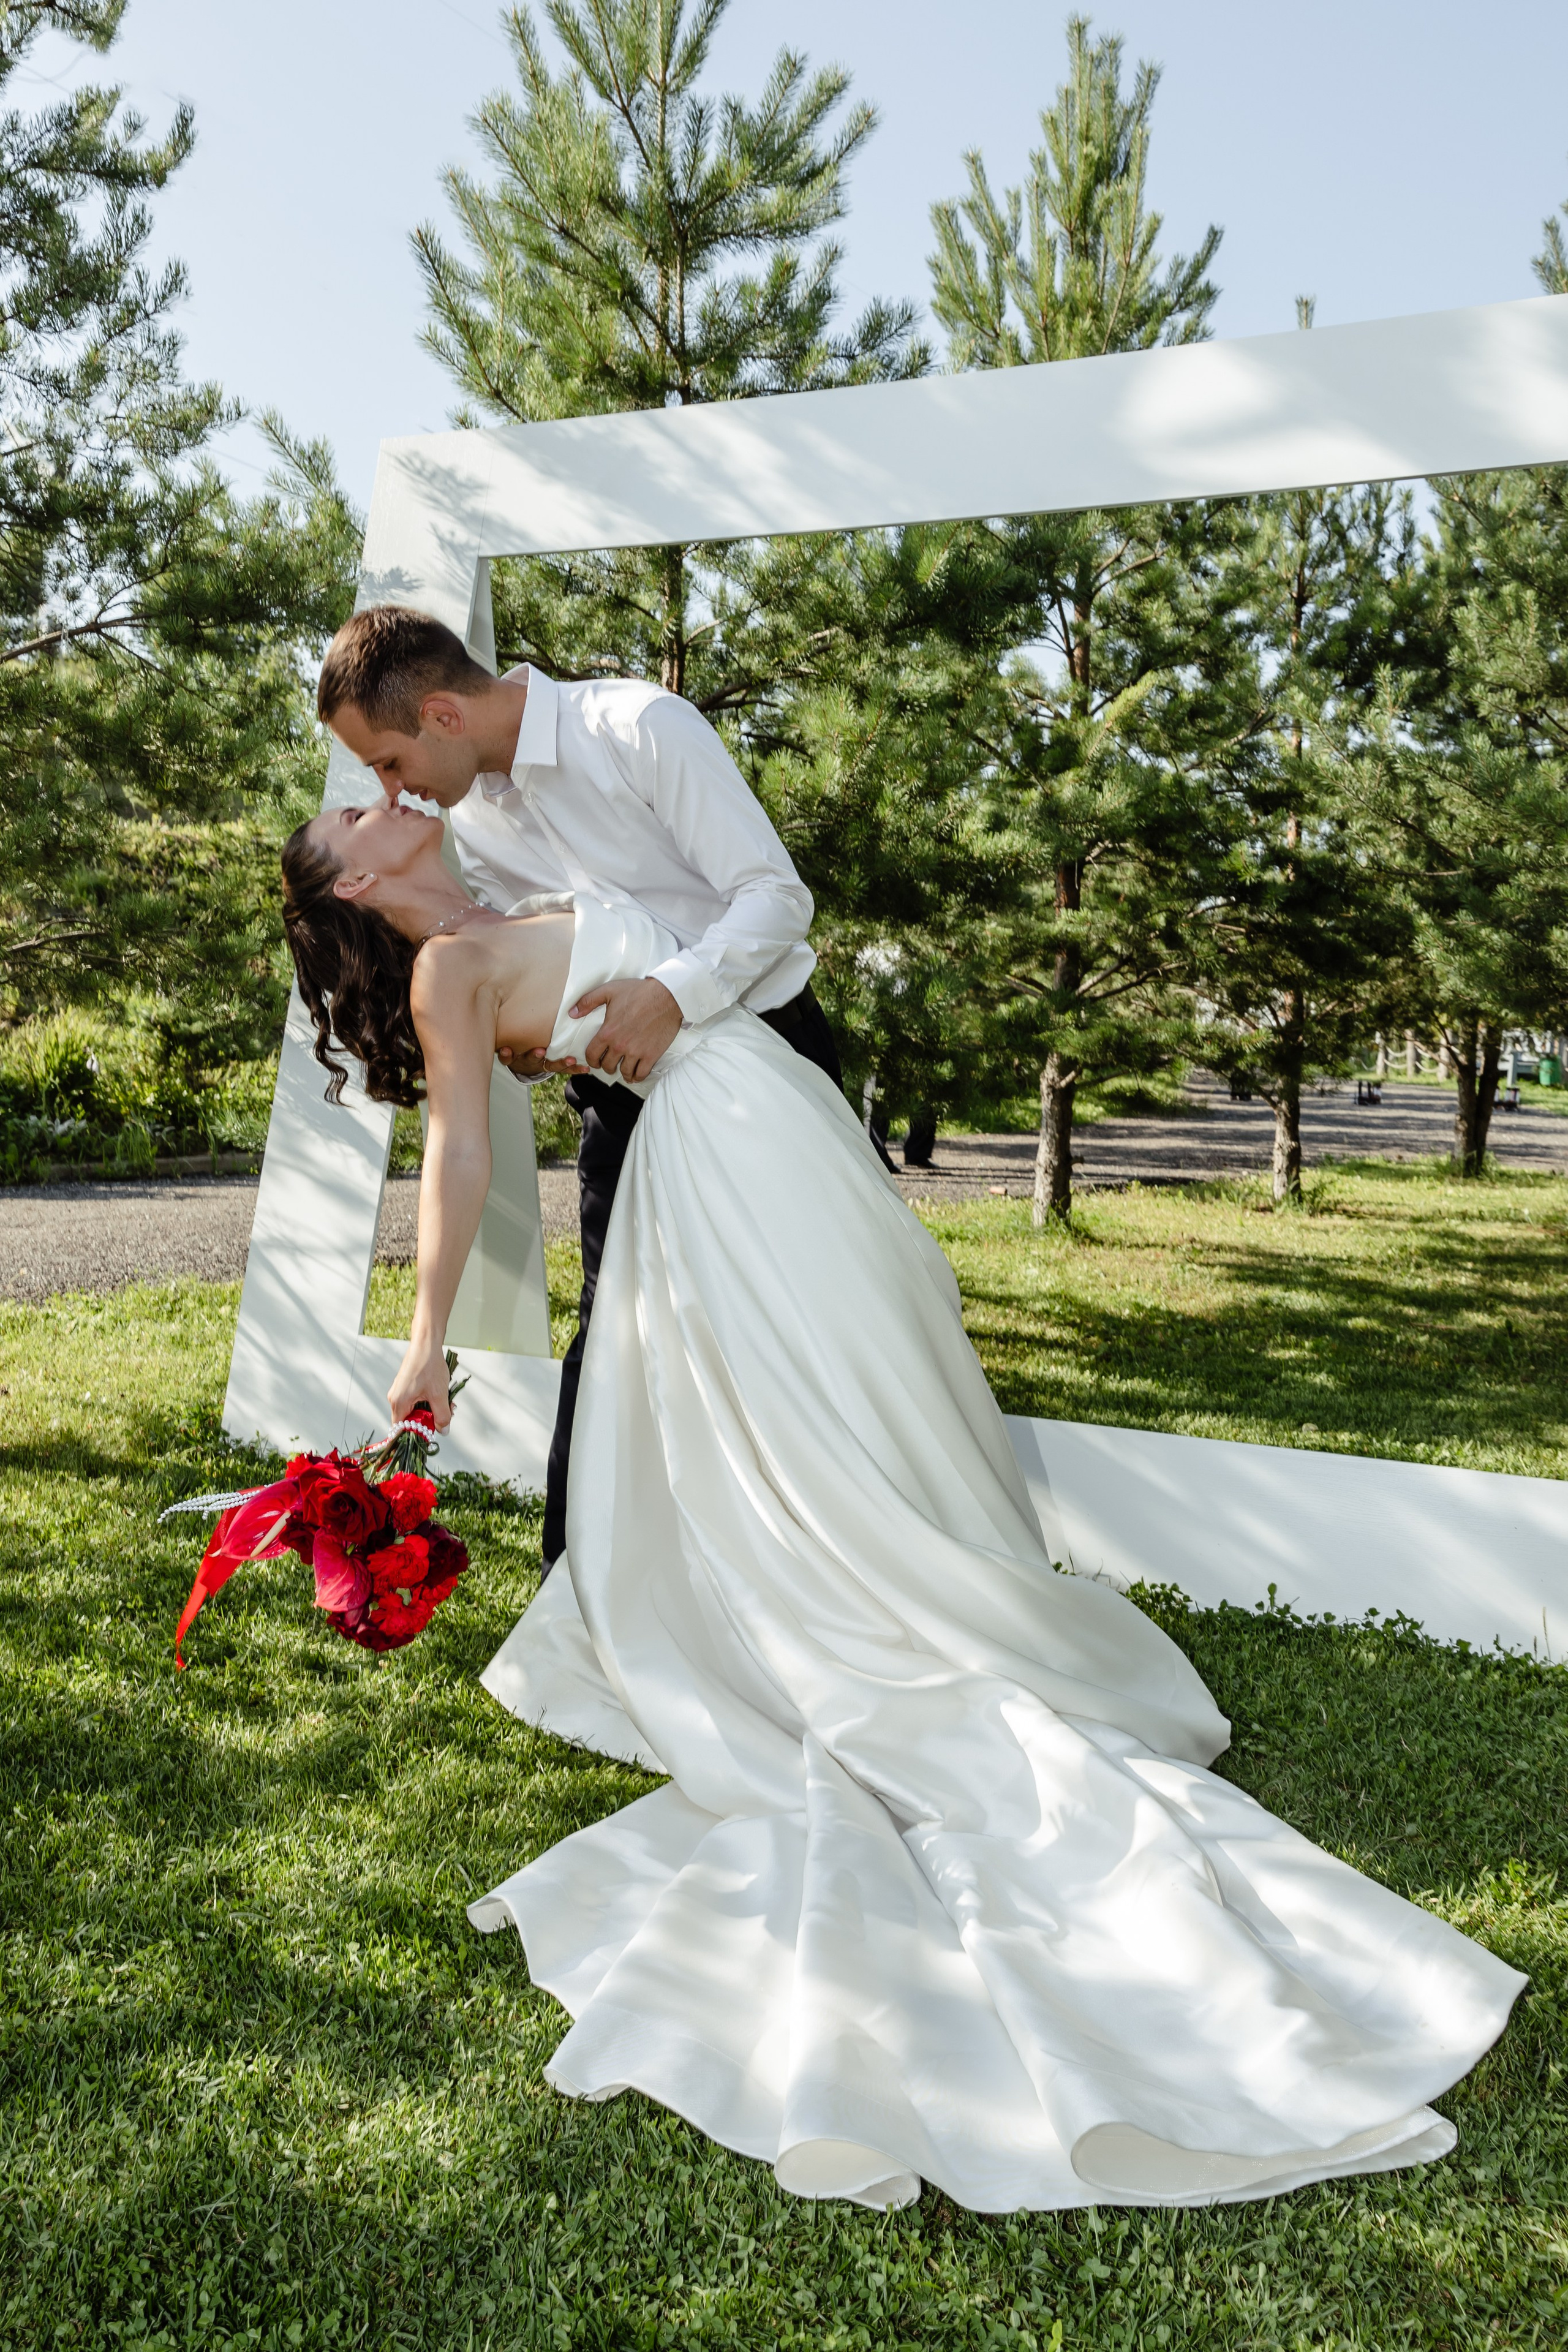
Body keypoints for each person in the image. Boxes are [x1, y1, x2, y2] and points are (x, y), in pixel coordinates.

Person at [279, 799, 1523, 2216]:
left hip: (769, 1116)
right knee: (799, 1406)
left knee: (875, 1374)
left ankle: (922, 1584)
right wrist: (424, 1337)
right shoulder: (450, 968)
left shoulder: (502, 899)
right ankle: (863, 1612)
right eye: (358, 810)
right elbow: (460, 1153)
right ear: (357, 878)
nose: (389, 797)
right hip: (718, 1151)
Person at [315, 604, 846, 1571]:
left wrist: (670, 996)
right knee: (614, 1342)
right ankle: (584, 1591)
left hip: (764, 1057)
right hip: (620, 1102)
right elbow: (528, 958)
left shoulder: (639, 729)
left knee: (813, 1329)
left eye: (389, 762)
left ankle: (823, 1560)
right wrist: (533, 1039)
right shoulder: (468, 815)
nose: (392, 789)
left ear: (442, 716)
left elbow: (776, 897)